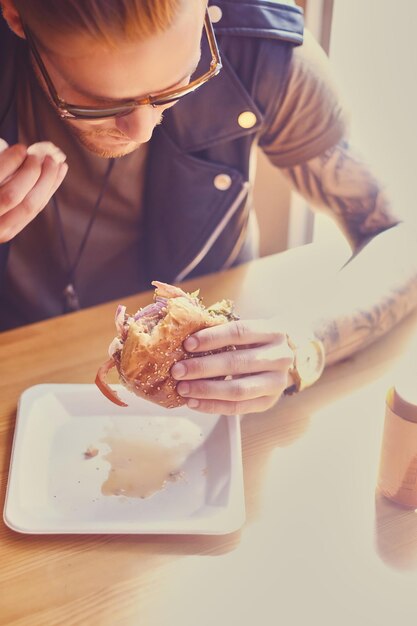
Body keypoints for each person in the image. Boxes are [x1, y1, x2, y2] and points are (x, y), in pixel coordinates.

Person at [0, 0, 416, 415]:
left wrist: (306, 339)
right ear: (15, 14)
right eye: (99, 104)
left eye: (178, 84)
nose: (142, 131)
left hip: (211, 410)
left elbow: (402, 239)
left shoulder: (260, 50)